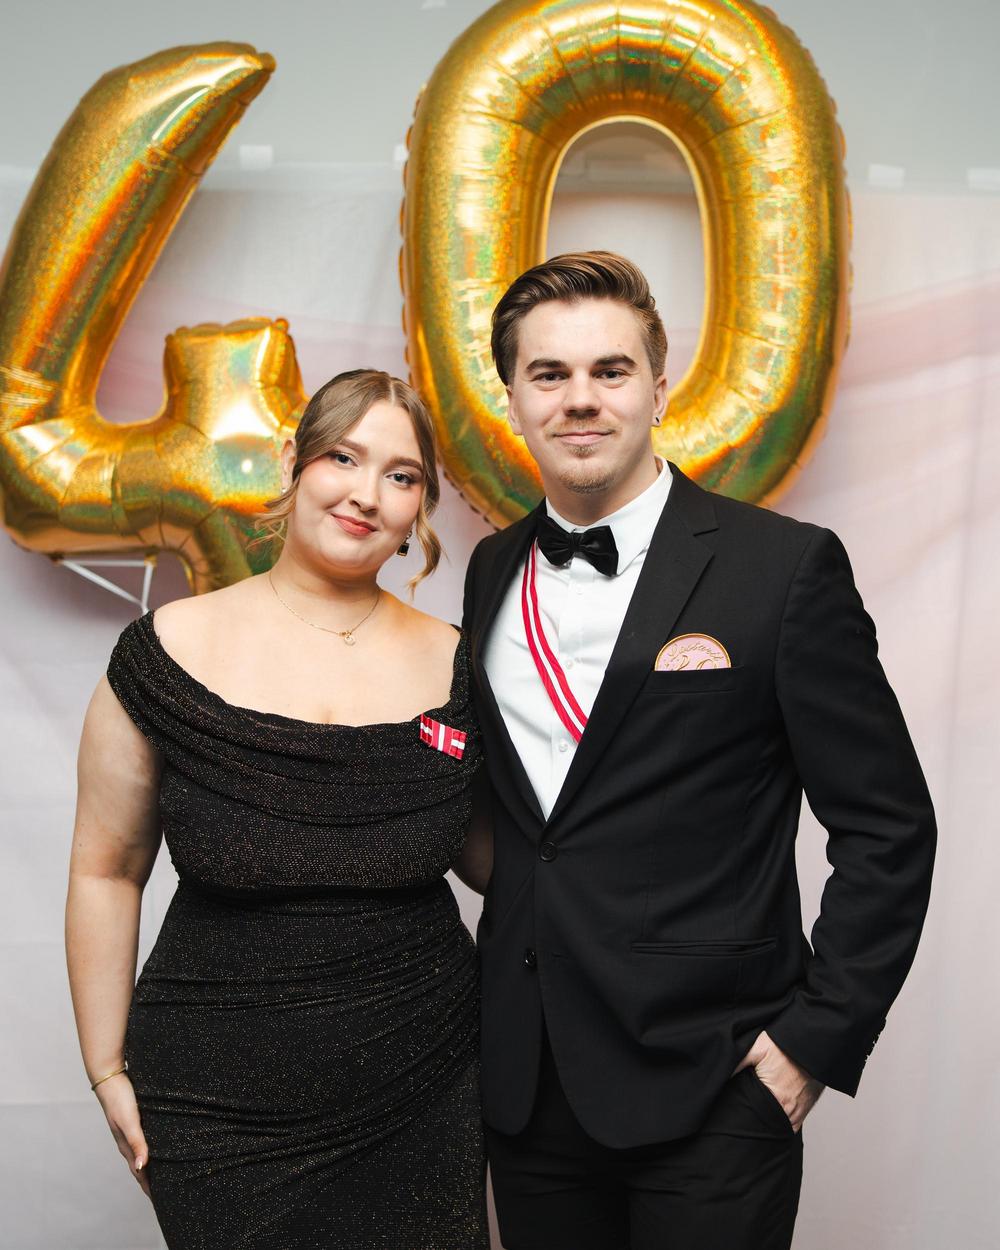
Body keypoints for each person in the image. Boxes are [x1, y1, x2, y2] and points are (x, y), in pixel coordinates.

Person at [460, 252, 937, 1250]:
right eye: (549, 373)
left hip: (714, 1082)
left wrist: (812, 1041)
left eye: (611, 370)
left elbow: (888, 825)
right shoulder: (492, 568)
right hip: (529, 1081)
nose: (580, 398)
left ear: (658, 387)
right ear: (512, 398)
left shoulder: (782, 568)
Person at [66, 369, 491, 1250]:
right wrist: (105, 1067)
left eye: (401, 476)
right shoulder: (164, 652)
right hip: (216, 1103)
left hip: (427, 1084)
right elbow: (106, 871)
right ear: (294, 461)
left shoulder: (461, 664)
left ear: (420, 508)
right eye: (344, 458)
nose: (366, 495)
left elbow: (510, 863)